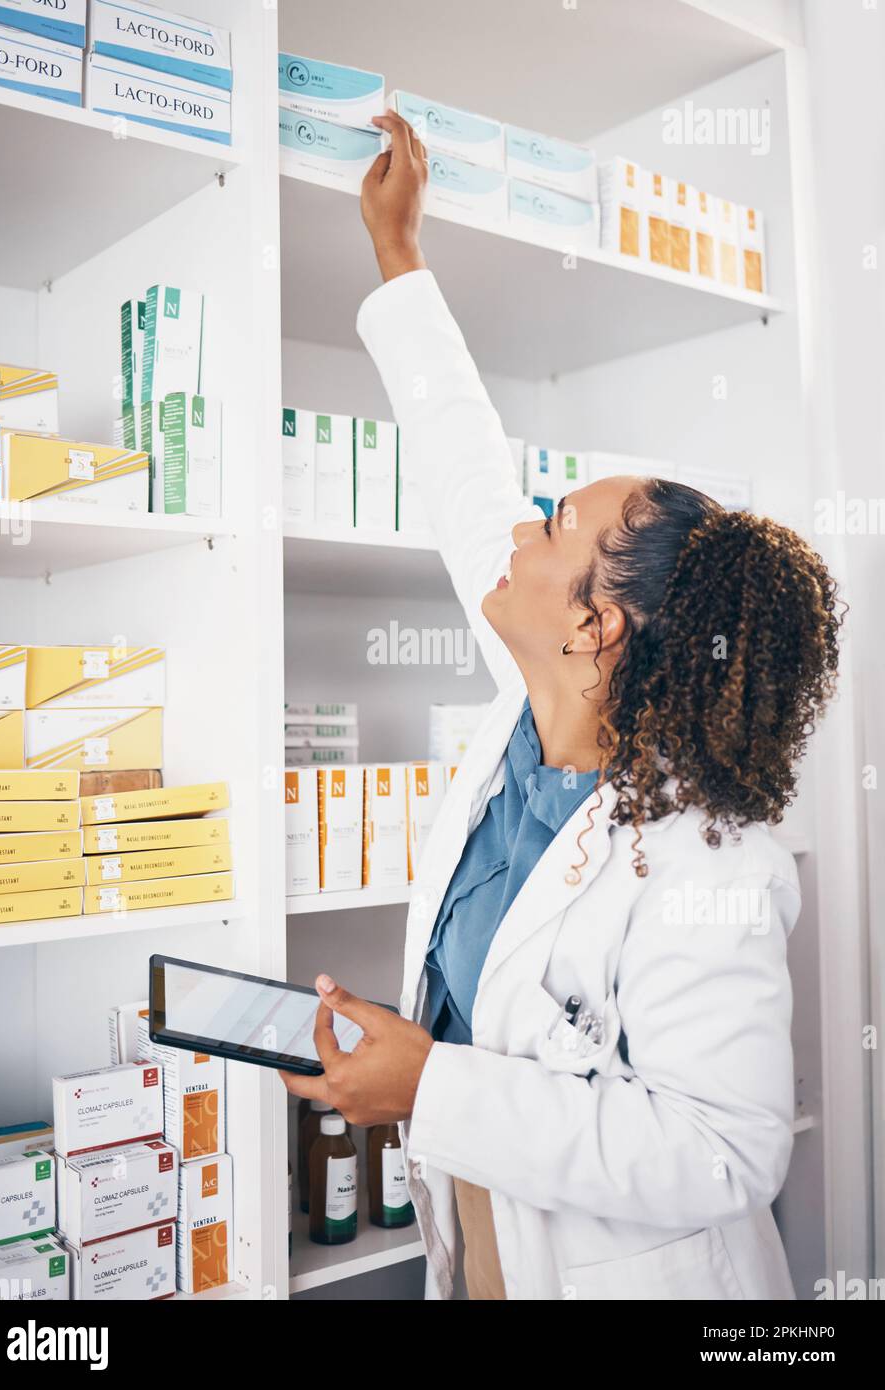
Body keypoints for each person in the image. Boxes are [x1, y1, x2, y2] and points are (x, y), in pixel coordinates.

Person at [280, 112, 842, 1301]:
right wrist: (398, 251)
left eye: (551, 524)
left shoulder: (703, 855)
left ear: (595, 627)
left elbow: (725, 1147)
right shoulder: (520, 725)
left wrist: (427, 1089)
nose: (520, 523)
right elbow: (461, 468)